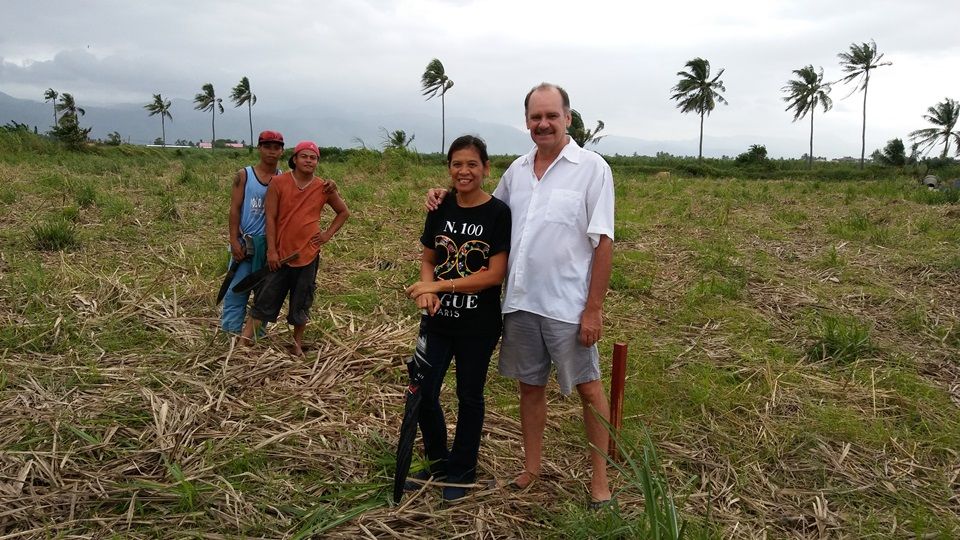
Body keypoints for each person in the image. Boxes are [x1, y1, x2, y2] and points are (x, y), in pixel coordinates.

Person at [427, 83, 615, 507]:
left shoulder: (592, 168)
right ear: (527, 121)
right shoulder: (517, 170)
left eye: (552, 116)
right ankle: (532, 468)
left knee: (588, 388)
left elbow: (603, 242)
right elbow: (486, 209)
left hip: (568, 305)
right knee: (530, 388)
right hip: (520, 303)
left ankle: (600, 479)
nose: (543, 124)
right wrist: (445, 195)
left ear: (568, 117)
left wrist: (594, 309)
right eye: (535, 117)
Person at [405, 135, 511, 502]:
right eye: (456, 164)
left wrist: (440, 287)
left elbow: (494, 274)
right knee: (425, 392)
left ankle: (462, 471)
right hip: (437, 322)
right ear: (448, 169)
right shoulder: (440, 206)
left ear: (486, 168)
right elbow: (429, 258)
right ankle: (437, 462)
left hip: (477, 325)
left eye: (471, 164)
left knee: (469, 396)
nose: (464, 171)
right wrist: (427, 289)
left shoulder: (497, 213)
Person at [241, 141, 350, 355]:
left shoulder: (323, 187)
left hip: (308, 254)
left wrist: (327, 234)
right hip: (280, 255)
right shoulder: (278, 183)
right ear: (295, 159)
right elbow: (270, 218)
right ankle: (244, 342)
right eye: (304, 156)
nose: (309, 160)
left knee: (302, 302)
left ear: (317, 162)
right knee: (265, 298)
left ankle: (297, 345)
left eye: (313, 157)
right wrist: (272, 251)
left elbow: (343, 212)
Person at [220, 130, 285, 335]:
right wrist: (233, 240)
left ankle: (255, 336)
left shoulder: (283, 178)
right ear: (259, 148)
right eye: (267, 147)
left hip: (270, 246)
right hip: (245, 244)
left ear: (282, 151)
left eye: (276, 148)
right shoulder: (245, 175)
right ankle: (230, 333)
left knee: (265, 293)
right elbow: (235, 209)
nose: (271, 152)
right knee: (236, 291)